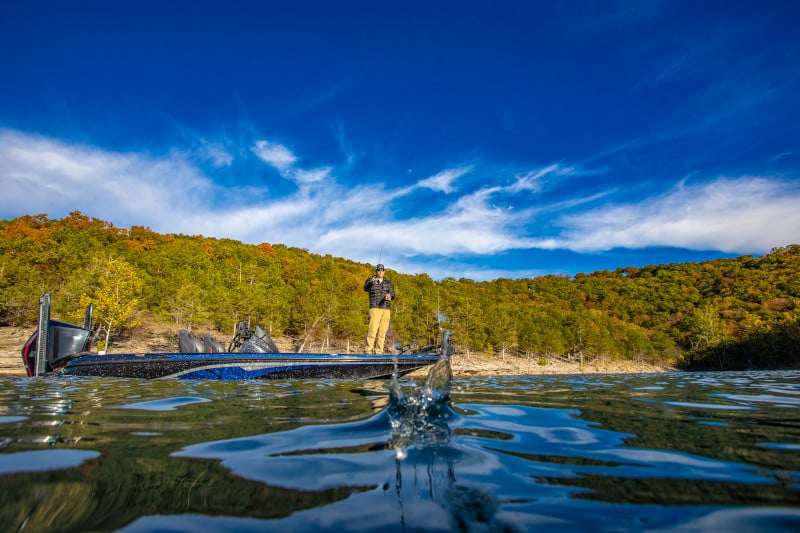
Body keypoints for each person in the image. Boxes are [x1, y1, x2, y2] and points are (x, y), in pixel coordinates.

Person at [364, 263, 395, 354]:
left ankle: (379, 351)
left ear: (384, 271)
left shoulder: (388, 282)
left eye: (382, 270)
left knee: (383, 331)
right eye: (378, 270)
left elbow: (393, 294)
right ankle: (368, 350)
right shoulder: (370, 280)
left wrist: (390, 296)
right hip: (375, 307)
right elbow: (365, 288)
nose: (380, 271)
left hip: (386, 309)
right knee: (372, 329)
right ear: (376, 271)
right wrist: (371, 282)